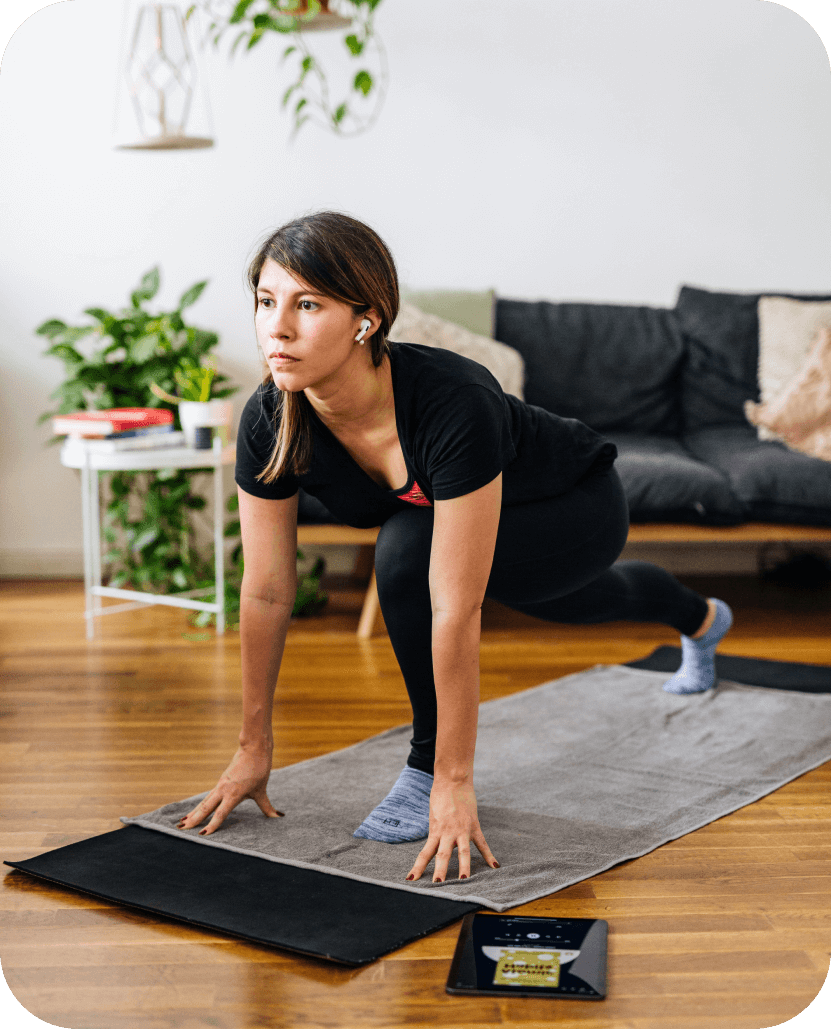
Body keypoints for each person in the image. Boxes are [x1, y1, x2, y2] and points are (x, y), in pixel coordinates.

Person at [176, 211, 733, 885]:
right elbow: (265, 588)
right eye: (266, 301)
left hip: (571, 505)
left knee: (418, 549)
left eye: (307, 304)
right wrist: (251, 748)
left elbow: (452, 608)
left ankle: (420, 765)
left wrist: (451, 779)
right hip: (454, 519)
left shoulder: (449, 398)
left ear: (366, 319)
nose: (277, 326)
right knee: (578, 599)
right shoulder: (271, 416)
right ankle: (700, 619)